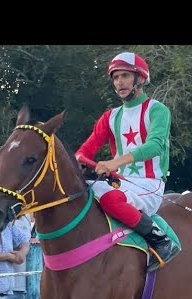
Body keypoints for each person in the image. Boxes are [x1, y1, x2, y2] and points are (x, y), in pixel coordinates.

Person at [74, 51, 178, 272]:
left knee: (111, 201)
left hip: (149, 184)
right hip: (120, 181)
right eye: (115, 77)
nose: (119, 82)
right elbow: (86, 149)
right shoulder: (110, 117)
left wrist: (113, 163)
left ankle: (160, 240)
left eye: (124, 76)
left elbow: (155, 146)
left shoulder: (157, 110)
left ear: (139, 79)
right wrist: (78, 161)